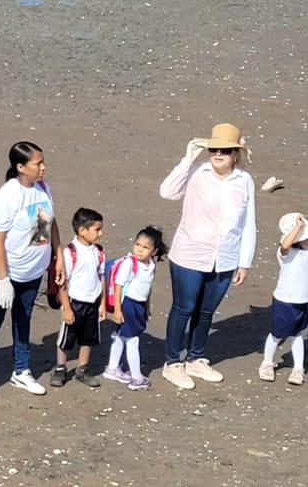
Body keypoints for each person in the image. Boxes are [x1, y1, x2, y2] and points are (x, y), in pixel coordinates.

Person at [158, 123, 256, 390]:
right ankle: (172, 363)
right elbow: (166, 192)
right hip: (190, 254)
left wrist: (244, 261)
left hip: (225, 257)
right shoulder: (197, 172)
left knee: (206, 312)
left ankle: (196, 358)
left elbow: (248, 222)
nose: (218, 154)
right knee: (184, 308)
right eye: (214, 149)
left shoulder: (244, 180)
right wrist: (188, 158)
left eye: (225, 150)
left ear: (236, 154)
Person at [0, 141, 59, 399]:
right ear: (20, 167)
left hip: (34, 271)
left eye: (43, 162)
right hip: (9, 271)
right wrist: (3, 279)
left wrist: (59, 255)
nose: (43, 167)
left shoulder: (43, 189)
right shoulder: (6, 198)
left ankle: (21, 370)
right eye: (37, 163)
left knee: (24, 319)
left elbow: (49, 224)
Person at [104, 226, 167, 390]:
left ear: (154, 251)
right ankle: (137, 377)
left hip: (138, 305)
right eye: (138, 245)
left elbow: (148, 288)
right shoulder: (129, 264)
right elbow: (118, 286)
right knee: (133, 340)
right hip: (127, 304)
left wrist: (146, 306)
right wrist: (117, 310)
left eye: (145, 247)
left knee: (120, 335)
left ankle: (112, 368)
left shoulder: (151, 266)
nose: (139, 250)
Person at [51, 208, 105, 388]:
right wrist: (66, 307)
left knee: (88, 339)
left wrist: (103, 303)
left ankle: (82, 370)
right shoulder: (70, 252)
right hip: (74, 304)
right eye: (97, 229)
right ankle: (60, 368)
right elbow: (62, 282)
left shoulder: (99, 251)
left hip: (93, 304)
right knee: (66, 339)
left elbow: (101, 276)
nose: (100, 233)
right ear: (82, 230)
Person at [260, 213, 308, 385]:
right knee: (277, 334)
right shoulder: (286, 253)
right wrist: (298, 228)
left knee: (297, 335)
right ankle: (267, 362)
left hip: (303, 300)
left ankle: (298, 368)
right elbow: (285, 244)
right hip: (285, 300)